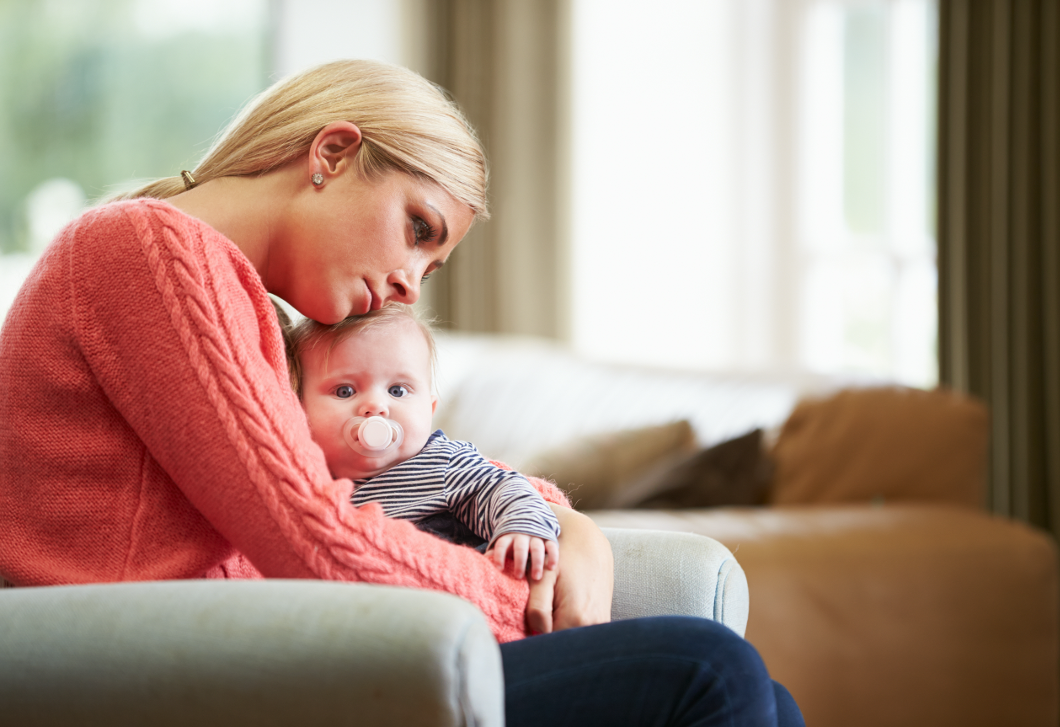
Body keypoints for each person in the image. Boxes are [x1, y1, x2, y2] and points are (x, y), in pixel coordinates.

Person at [0, 59, 803, 725]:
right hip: (181, 679)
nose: (408, 285)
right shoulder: (146, 251)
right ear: (334, 153)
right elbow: (314, 536)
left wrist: (555, 519)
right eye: (418, 228)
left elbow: (393, 470)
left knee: (767, 695)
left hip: (265, 657)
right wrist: (520, 590)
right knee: (711, 671)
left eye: (431, 264)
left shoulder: (243, 307)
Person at [287, 304, 560, 581]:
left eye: (397, 390)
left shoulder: (442, 463)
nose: (375, 406)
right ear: (299, 408)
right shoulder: (306, 481)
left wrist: (521, 527)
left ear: (429, 411)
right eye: (345, 391)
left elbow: (503, 487)